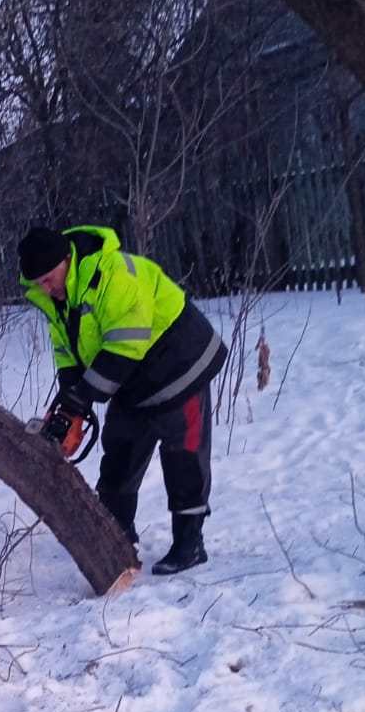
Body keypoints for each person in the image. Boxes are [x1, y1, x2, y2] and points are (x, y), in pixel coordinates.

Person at [18, 223, 227, 575]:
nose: (46, 288)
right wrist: (70, 396)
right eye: (38, 283)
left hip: (178, 362)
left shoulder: (112, 274)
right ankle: (117, 537)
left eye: (49, 278)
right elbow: (67, 351)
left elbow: (125, 344)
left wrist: (86, 394)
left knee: (183, 454)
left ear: (66, 260)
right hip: (132, 377)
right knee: (120, 450)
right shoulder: (56, 298)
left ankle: (190, 544)